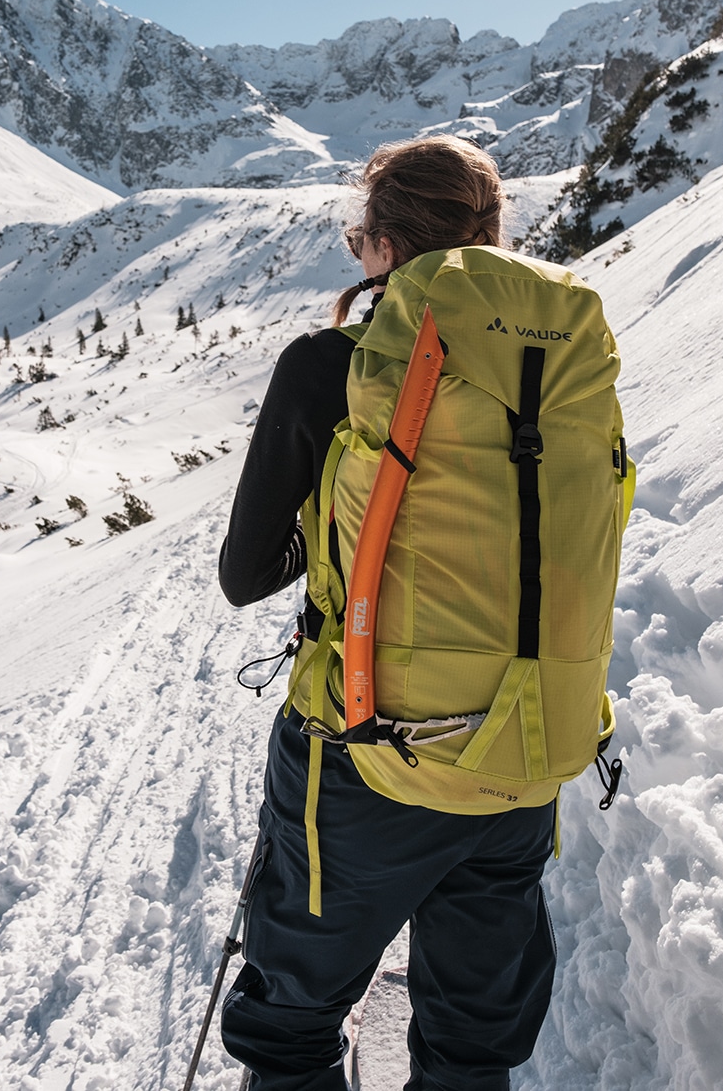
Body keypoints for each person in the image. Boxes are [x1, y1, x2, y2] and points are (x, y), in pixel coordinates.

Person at [217, 136, 558, 1091]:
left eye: (361, 235)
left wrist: (324, 552)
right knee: (472, 1042)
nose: (358, 252)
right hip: (520, 750)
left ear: (386, 248)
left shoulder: (332, 363)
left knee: (293, 1027)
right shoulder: (555, 355)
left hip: (363, 759)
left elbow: (246, 574)